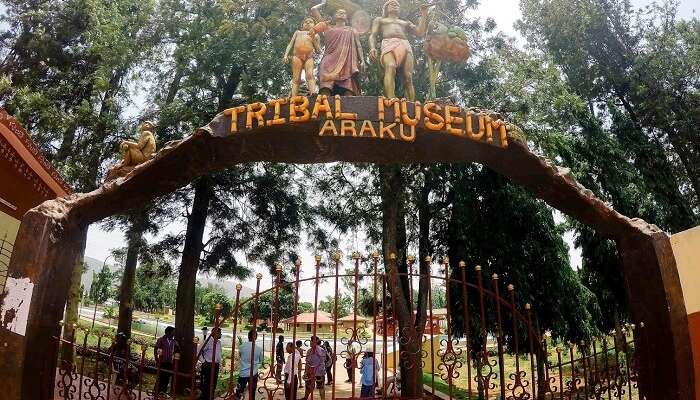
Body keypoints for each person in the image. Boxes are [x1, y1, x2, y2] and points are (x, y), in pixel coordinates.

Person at [368, 0, 430, 101]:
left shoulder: (405, 22)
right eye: (392, 4)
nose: (395, 5)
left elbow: (420, 32)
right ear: (386, 8)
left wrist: (424, 15)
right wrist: (372, 48)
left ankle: (411, 104)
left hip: (405, 45)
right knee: (390, 66)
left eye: (397, 4)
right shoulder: (380, 20)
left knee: (408, 77)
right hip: (388, 43)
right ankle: (391, 98)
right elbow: (373, 35)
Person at [310, 0, 366, 96]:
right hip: (328, 62)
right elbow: (314, 9)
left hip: (347, 63)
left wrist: (363, 60)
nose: (341, 13)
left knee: (349, 92)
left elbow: (358, 46)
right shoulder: (327, 27)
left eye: (344, 13)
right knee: (325, 90)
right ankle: (323, 108)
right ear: (333, 16)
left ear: (347, 17)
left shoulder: (352, 30)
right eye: (338, 12)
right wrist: (324, 4)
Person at [284, 17, 321, 96]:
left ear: (314, 25)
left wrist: (313, 37)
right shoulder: (298, 32)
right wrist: (285, 55)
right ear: (302, 25)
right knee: (296, 78)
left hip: (309, 57)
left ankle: (313, 93)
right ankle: (293, 96)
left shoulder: (316, 35)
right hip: (297, 57)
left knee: (310, 75)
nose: (307, 23)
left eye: (310, 22)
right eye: (305, 22)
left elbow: (318, 50)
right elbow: (290, 44)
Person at [235, 330, 264, 400]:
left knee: (239, 391)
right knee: (252, 392)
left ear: (248, 336)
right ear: (256, 337)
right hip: (253, 373)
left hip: (243, 373)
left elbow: (240, 356)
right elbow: (261, 361)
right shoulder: (259, 349)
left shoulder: (242, 347)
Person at [154, 326, 179, 394]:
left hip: (169, 363)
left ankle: (163, 392)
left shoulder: (174, 342)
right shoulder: (161, 340)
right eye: (173, 332)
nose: (174, 334)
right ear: (168, 333)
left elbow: (177, 350)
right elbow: (156, 349)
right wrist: (156, 359)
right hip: (162, 361)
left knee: (167, 378)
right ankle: (156, 391)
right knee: (160, 377)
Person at [200, 327, 223, 400]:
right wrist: (203, 361)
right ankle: (205, 397)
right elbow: (199, 351)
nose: (221, 334)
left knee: (213, 383)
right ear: (214, 333)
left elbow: (218, 353)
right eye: (219, 333)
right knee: (207, 384)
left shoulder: (219, 342)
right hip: (208, 365)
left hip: (216, 365)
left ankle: (211, 397)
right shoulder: (207, 341)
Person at [302, 336, 327, 400]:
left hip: (314, 372)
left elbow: (308, 363)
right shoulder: (320, 350)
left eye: (311, 341)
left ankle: (305, 397)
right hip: (318, 372)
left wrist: (306, 371)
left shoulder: (312, 351)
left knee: (310, 386)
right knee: (319, 387)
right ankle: (306, 397)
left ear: (315, 342)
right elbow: (324, 360)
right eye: (310, 340)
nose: (310, 342)